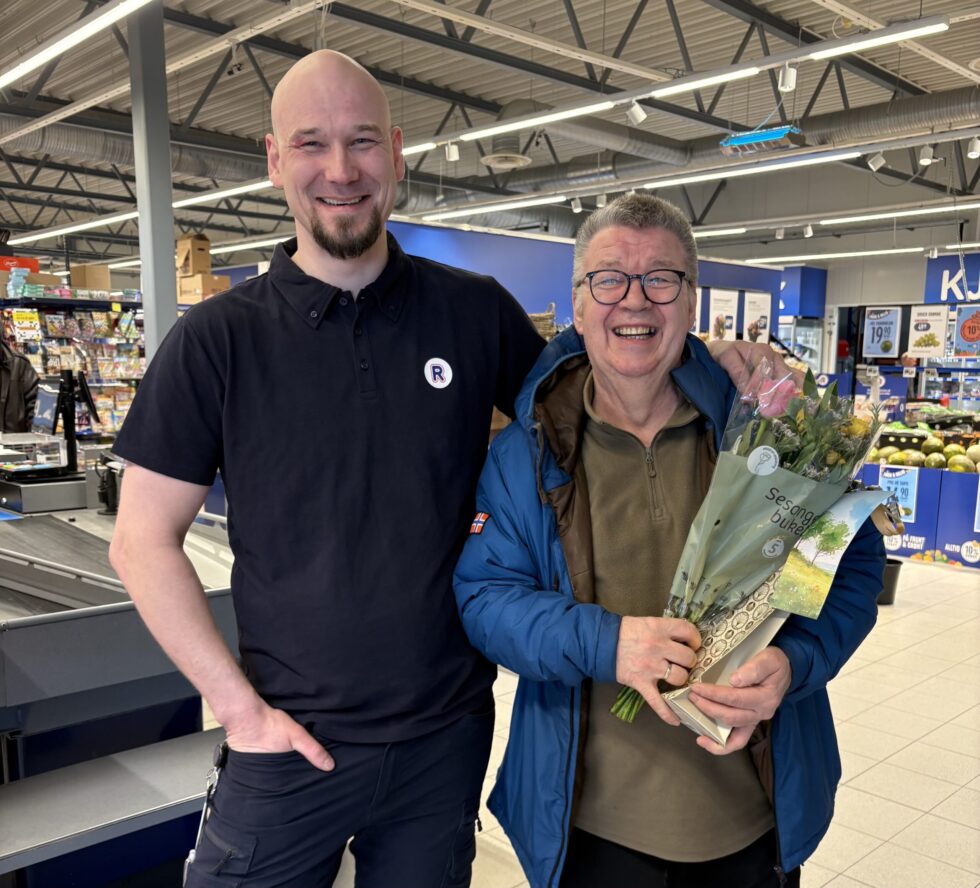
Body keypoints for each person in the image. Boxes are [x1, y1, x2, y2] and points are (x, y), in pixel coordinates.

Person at [109, 50, 799, 888]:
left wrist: (715, 357)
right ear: (274, 160)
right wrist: (237, 710)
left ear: (397, 153)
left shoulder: (473, 313)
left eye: (363, 141)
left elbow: (611, 364)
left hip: (443, 744)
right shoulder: (216, 341)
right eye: (312, 144)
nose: (341, 170)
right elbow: (141, 542)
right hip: (286, 745)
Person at [454, 194, 885, 888]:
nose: (635, 300)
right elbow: (485, 597)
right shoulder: (530, 452)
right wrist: (609, 644)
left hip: (754, 823)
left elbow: (851, 564)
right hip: (589, 832)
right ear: (579, 305)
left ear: (690, 304)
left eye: (661, 279)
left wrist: (796, 662)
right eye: (609, 279)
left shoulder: (765, 429)